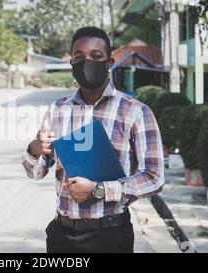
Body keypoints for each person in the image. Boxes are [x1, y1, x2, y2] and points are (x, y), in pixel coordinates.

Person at [21, 26, 165, 253]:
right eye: (79, 57)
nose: (87, 62)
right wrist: (35, 148)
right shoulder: (57, 110)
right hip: (62, 236)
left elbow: (154, 178)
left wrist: (100, 190)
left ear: (109, 62)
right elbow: (36, 172)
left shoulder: (136, 112)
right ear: (71, 63)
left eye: (96, 56)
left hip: (110, 236)